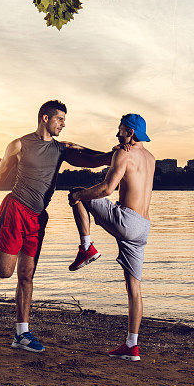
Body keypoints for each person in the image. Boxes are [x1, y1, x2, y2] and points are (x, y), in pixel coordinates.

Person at [0, 100, 113, 353]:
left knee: (26, 276)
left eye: (65, 120)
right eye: (60, 119)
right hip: (16, 209)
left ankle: (22, 334)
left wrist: (115, 154)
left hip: (38, 218)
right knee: (5, 273)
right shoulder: (19, 145)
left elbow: (92, 160)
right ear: (45, 118)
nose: (64, 124)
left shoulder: (61, 149)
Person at [68, 113, 155, 361]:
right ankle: (131, 346)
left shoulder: (123, 153)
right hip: (143, 227)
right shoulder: (150, 158)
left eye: (120, 130)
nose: (117, 134)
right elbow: (127, 169)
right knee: (134, 287)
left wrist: (82, 193)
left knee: (77, 194)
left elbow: (108, 189)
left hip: (126, 220)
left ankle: (87, 247)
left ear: (130, 132)